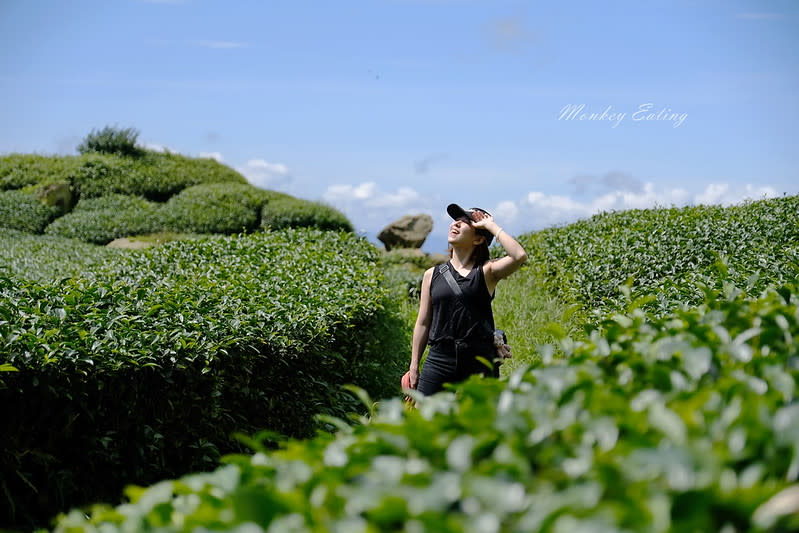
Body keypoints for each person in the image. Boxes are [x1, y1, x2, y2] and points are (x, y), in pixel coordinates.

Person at [407, 203, 528, 395]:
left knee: (478, 422)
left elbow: (519, 255)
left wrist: (491, 227)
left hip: (478, 360)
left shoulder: (487, 271)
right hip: (439, 358)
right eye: (455, 221)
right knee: (423, 420)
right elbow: (422, 323)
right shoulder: (432, 274)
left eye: (464, 223)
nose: (455, 225)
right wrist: (414, 366)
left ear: (478, 239)